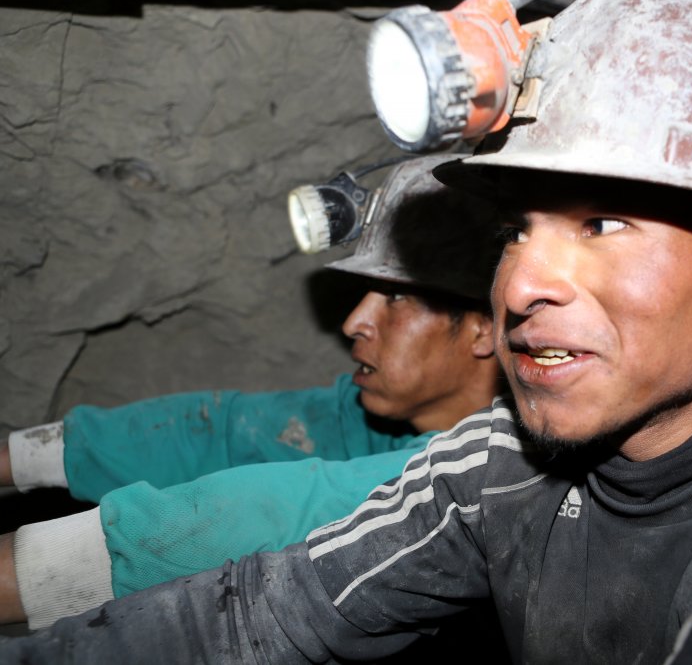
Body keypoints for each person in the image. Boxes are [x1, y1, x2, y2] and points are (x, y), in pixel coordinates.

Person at [3, 0, 692, 663]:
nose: (525, 277)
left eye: (603, 221)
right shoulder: (513, 457)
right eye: (516, 228)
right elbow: (271, 607)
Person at [0, 155, 504, 629]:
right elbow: (223, 433)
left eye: (396, 296)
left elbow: (277, 510)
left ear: (485, 327)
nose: (354, 322)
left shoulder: (504, 472)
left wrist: (25, 574)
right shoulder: (379, 418)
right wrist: (15, 459)